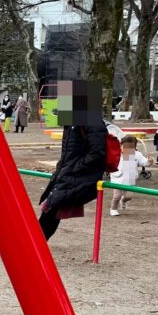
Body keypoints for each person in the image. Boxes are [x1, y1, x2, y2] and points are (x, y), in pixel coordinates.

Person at [37, 80, 109, 241]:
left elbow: (98, 152)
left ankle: (33, 248)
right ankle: (34, 246)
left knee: (51, 211)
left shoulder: (91, 121)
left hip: (77, 174)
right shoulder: (72, 123)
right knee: (49, 210)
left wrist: (75, 168)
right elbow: (69, 151)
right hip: (67, 172)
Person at [109, 135, 152, 216]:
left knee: (129, 196)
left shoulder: (137, 155)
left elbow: (144, 162)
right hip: (117, 178)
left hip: (130, 178)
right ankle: (113, 209)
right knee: (116, 196)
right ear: (121, 145)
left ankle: (123, 200)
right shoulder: (116, 153)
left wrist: (149, 161)